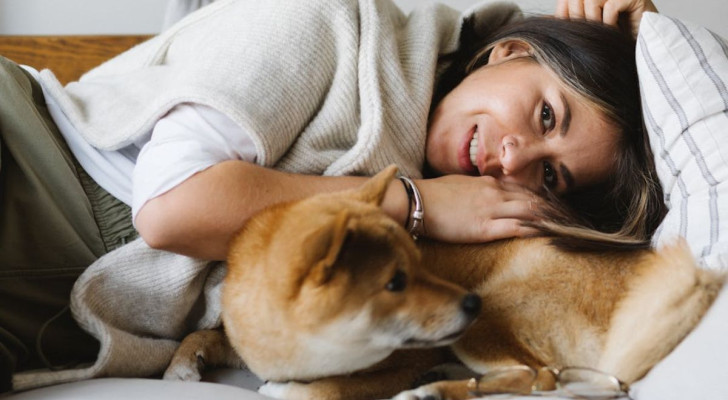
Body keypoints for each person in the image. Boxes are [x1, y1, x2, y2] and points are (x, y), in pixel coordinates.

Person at [0, 0, 663, 392]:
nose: (515, 161)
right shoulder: (326, 23)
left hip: (47, 311)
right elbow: (174, 205)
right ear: (510, 52)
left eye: (550, 177)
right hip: (29, 160)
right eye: (546, 116)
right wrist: (416, 201)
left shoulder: (438, 231)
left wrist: (657, 47)